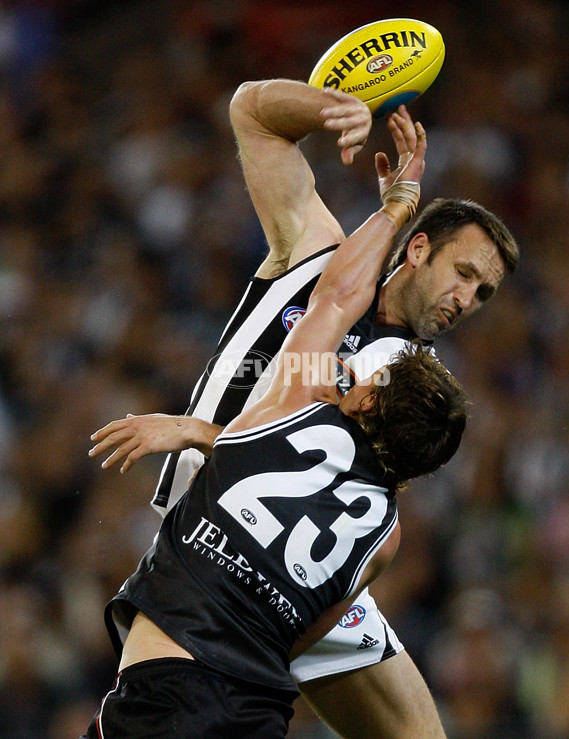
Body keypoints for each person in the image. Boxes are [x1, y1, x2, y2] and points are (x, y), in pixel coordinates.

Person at [89, 80, 519, 737]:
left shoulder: (416, 387)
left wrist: (194, 430)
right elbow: (252, 114)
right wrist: (331, 108)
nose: (468, 299)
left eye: (484, 292)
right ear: (419, 247)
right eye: (464, 274)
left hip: (288, 566)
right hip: (212, 532)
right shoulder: (319, 251)